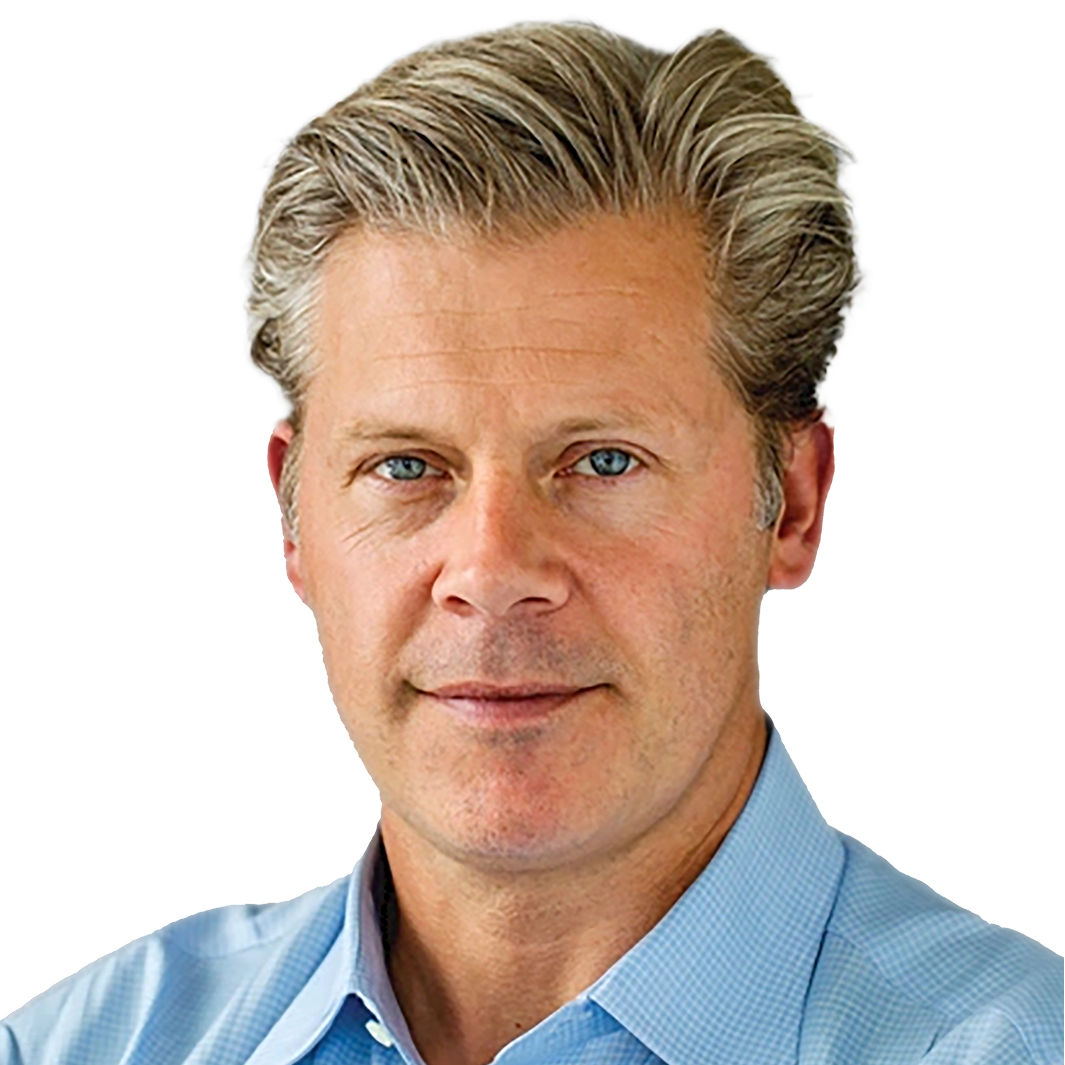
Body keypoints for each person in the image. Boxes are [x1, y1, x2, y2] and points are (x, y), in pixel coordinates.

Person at [3, 15, 1060, 1065]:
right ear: (294, 516)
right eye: (406, 466)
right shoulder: (86, 1045)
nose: (492, 572)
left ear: (791, 502)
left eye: (602, 462)